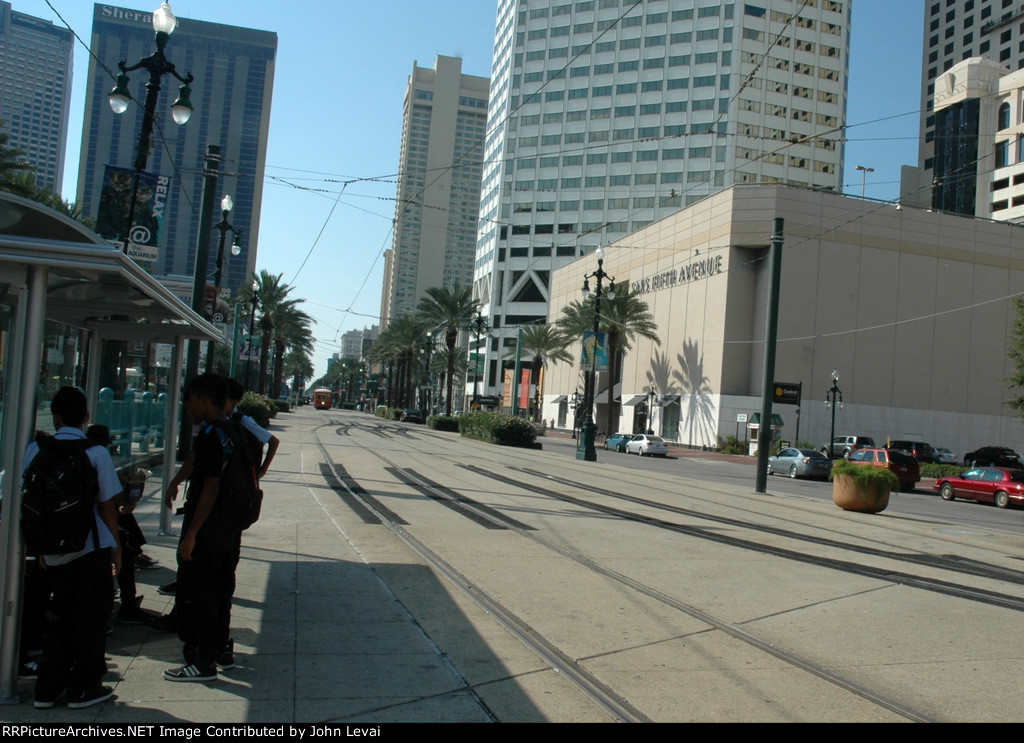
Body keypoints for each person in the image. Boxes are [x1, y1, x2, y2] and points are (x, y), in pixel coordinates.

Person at [22, 387, 122, 709]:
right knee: (91, 619)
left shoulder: (35, 450)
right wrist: (117, 547)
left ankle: (47, 689)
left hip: (52, 551)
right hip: (90, 547)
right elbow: (107, 505)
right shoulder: (96, 452)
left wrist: (40, 547)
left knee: (62, 617)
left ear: (56, 417)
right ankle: (84, 687)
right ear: (86, 417)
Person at [163, 374, 243, 682]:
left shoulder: (211, 434)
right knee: (221, 592)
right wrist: (176, 481)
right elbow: (199, 462)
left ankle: (201, 662)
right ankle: (219, 650)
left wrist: (192, 534)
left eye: (191, 402)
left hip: (208, 532)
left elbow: (210, 486)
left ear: (205, 401)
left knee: (199, 594)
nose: (187, 408)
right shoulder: (232, 429)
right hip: (229, 529)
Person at [225, 378, 279, 480]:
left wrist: (262, 471)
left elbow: (274, 441)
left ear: (234, 401)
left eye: (222, 399)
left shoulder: (243, 421)